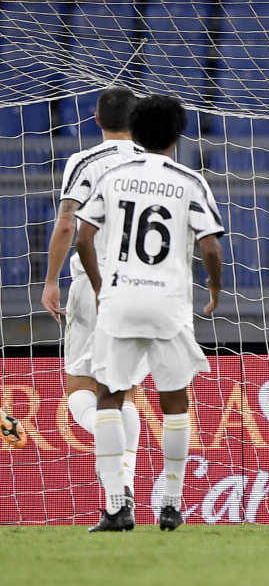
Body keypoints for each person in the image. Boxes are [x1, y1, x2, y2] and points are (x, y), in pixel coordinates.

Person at [75, 95, 224, 532]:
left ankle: (117, 504)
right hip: (169, 303)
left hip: (120, 299)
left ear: (135, 132)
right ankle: (172, 503)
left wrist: (102, 287)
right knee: (174, 403)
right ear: (177, 137)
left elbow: (84, 238)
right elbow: (210, 245)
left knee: (109, 397)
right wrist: (214, 288)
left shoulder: (114, 177)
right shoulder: (189, 180)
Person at [40, 87, 144, 495]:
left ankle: (115, 471)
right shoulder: (158, 163)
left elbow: (67, 224)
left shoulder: (83, 161)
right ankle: (125, 489)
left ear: (96, 119)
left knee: (80, 391)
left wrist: (50, 280)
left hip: (96, 283)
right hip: (145, 285)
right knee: (126, 394)